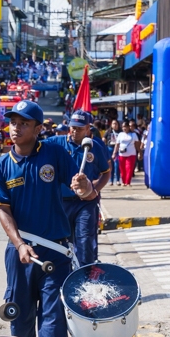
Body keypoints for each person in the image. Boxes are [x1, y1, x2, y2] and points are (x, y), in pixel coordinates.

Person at [0, 99, 96, 337]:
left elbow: (83, 192)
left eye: (23, 123)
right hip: (20, 252)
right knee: (19, 317)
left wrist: (85, 188)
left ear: (38, 129)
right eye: (13, 122)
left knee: (54, 318)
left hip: (56, 252)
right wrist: (19, 244)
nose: (15, 127)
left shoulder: (54, 154)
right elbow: (3, 212)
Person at [48, 109, 112, 267]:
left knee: (85, 242)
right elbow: (32, 147)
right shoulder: (56, 143)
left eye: (79, 128)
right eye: (72, 127)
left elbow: (106, 172)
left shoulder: (95, 146)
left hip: (85, 203)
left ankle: (85, 276)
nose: (75, 131)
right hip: (61, 203)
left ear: (88, 129)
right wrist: (2, 150)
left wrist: (94, 190)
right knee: (62, 243)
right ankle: (64, 277)